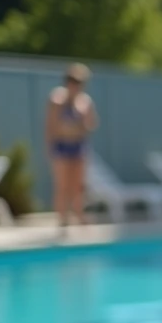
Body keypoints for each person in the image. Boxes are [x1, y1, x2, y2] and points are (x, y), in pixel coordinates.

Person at [45, 63, 98, 228]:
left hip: (79, 146)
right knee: (62, 185)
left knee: (79, 186)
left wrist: (80, 125)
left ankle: (79, 216)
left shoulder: (85, 102)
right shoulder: (57, 99)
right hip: (61, 146)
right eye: (72, 80)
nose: (75, 85)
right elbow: (51, 126)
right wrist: (49, 148)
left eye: (79, 82)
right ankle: (62, 219)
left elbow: (92, 125)